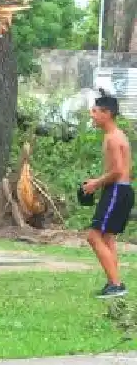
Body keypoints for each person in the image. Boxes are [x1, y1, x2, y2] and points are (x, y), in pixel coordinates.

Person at [81, 92, 132, 299]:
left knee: (93, 236)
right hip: (122, 190)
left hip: (117, 190)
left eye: (95, 111)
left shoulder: (112, 138)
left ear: (107, 113)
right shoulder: (118, 135)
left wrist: (95, 183)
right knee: (107, 237)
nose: (91, 115)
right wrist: (100, 181)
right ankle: (114, 282)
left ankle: (116, 285)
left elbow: (118, 171)